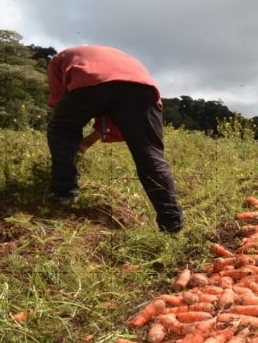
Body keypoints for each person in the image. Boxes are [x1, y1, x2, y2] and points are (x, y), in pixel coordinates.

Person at [46, 45, 183, 233]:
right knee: (150, 154)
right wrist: (86, 142)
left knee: (60, 130)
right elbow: (115, 107)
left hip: (92, 80)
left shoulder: (57, 61)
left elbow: (59, 104)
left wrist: (69, 140)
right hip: (142, 87)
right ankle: (172, 225)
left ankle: (64, 192)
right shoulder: (121, 58)